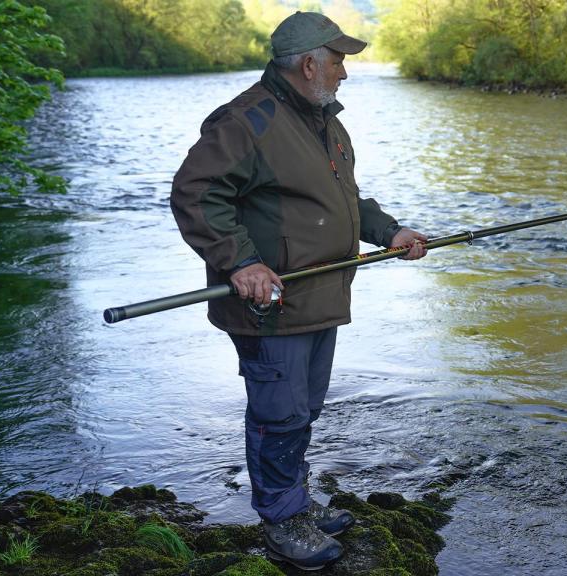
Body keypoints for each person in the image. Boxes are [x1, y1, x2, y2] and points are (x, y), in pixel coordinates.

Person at [169, 11, 427, 571]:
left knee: (303, 407)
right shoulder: (246, 120)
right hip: (270, 305)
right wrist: (242, 262)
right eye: (338, 60)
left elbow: (344, 202)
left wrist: (390, 232)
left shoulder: (327, 122)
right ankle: (283, 521)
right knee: (278, 412)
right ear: (309, 63)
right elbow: (195, 194)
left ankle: (296, 503)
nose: (344, 72)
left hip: (320, 296)